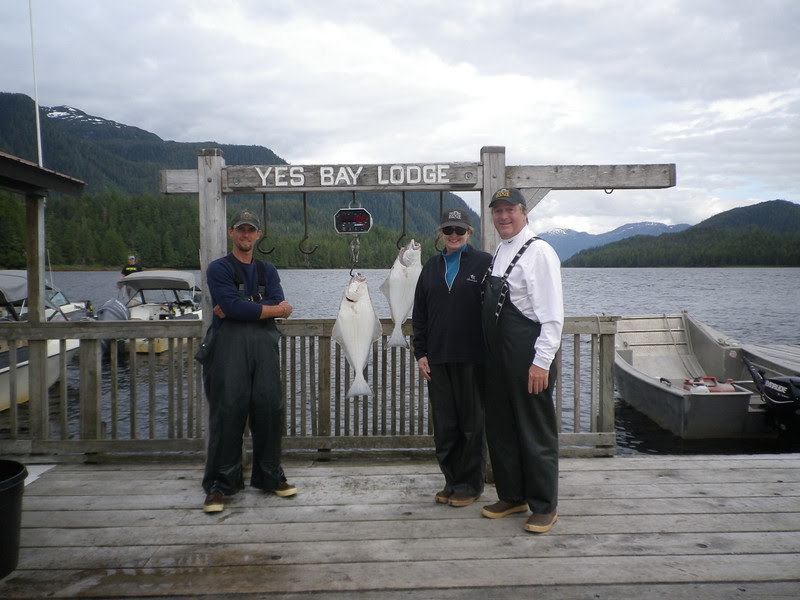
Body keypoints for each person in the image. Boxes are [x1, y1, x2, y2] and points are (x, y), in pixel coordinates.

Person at [200, 209, 296, 513]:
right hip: (228, 352)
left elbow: (238, 306)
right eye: (240, 229)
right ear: (232, 233)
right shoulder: (219, 268)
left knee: (269, 411)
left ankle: (271, 477)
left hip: (264, 351)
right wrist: (273, 309)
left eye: (250, 230)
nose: (245, 234)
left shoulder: (269, 271)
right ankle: (219, 485)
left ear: (258, 235)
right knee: (227, 414)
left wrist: (242, 306)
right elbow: (234, 306)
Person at [480, 188, 564, 533]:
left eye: (509, 210)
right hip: (499, 360)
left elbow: (552, 317)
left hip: (528, 359)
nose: (503, 216)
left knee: (535, 432)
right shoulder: (501, 250)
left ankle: (544, 505)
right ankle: (513, 496)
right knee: (501, 430)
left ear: (524, 212)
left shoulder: (539, 252)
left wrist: (541, 362)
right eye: (497, 211)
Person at [413, 209, 492, 508]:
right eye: (448, 230)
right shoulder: (430, 267)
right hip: (437, 359)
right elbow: (419, 314)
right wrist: (421, 353)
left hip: (474, 357)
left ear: (469, 232)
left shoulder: (484, 263)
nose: (454, 235)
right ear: (441, 233)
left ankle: (470, 485)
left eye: (460, 230)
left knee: (472, 426)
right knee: (445, 426)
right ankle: (451, 481)